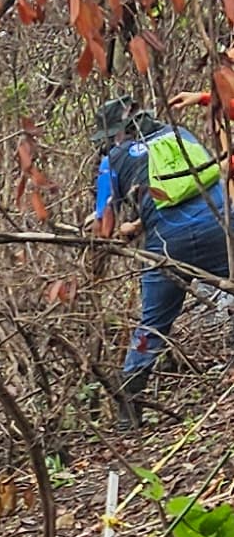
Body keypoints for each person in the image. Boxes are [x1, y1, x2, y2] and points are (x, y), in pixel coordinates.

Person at [93, 93, 232, 419]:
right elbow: (192, 189)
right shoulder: (180, 134)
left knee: (152, 326)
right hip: (222, 227)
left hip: (166, 247)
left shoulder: (112, 160)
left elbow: (103, 226)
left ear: (117, 132)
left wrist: (119, 228)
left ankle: (129, 412)